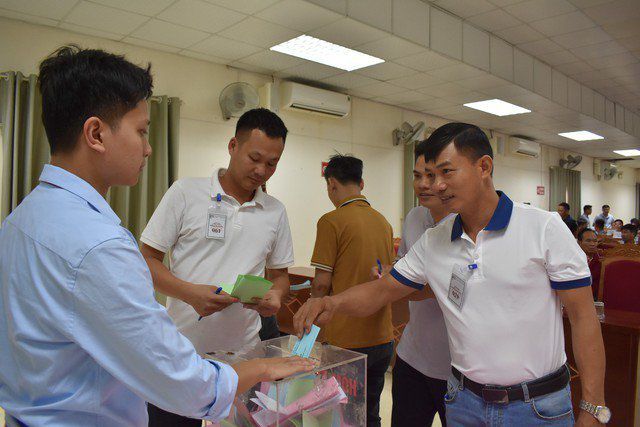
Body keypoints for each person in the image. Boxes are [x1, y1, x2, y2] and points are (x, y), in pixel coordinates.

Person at [0, 46, 312, 427]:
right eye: (141, 131)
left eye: (272, 163)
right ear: (96, 133)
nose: (148, 148)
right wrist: (263, 368)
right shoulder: (100, 246)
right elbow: (183, 381)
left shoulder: (21, 219)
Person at [294, 122, 609, 425]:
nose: (436, 185)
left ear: (483, 167)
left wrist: (593, 407)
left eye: (446, 172)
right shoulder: (435, 239)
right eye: (430, 175)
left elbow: (583, 317)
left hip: (536, 406)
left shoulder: (543, 227)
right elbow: (382, 290)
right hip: (465, 403)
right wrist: (332, 303)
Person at [140, 108, 296, 426]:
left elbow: (280, 276)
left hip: (245, 356)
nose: (261, 170)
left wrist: (276, 296)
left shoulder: (275, 211)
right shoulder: (186, 193)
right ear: (233, 146)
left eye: (272, 163)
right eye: (254, 158)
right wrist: (189, 294)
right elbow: (146, 259)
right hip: (183, 353)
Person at [309, 154, 395, 427]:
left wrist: (311, 316)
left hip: (345, 341)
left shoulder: (331, 221)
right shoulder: (384, 222)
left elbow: (321, 283)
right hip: (382, 337)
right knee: (369, 414)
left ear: (331, 184)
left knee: (343, 417)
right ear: (361, 183)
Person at [391, 140, 452, 427]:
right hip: (412, 358)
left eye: (431, 175)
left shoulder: (470, 225)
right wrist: (388, 276)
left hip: (456, 368)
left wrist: (404, 287)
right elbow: (403, 268)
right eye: (417, 176)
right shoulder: (415, 218)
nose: (423, 184)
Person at [577, 228, 602, 300]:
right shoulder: (573, 259)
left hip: (596, 298)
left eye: (595, 241)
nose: (592, 244)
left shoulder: (602, 260)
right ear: (579, 242)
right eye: (588, 241)